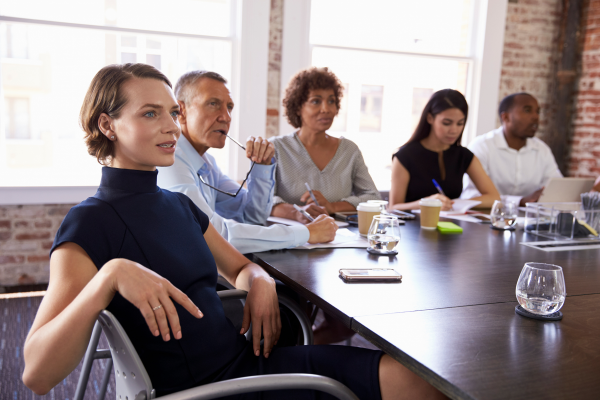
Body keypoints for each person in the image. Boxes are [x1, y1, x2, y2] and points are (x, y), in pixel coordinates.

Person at [22, 64, 446, 400]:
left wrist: (258, 279)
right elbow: (38, 374)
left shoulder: (179, 204)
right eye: (150, 113)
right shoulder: (89, 223)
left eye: (171, 112)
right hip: (219, 389)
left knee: (418, 380)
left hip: (247, 364)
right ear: (106, 126)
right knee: (416, 385)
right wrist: (109, 277)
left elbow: (242, 267)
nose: (172, 126)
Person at [157, 71, 336, 254]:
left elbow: (253, 216)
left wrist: (262, 167)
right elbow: (217, 235)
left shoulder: (207, 165)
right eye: (213, 104)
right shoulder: (171, 161)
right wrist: (305, 233)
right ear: (182, 111)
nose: (226, 117)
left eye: (229, 107)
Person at [270, 67, 380, 224]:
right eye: (316, 101)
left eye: (331, 101)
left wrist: (332, 206)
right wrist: (297, 212)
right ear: (298, 107)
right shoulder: (276, 148)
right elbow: (263, 201)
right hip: (290, 238)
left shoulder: (349, 151)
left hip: (340, 240)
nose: (326, 109)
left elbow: (373, 198)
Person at [389, 89, 500, 211]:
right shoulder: (405, 156)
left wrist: (455, 203)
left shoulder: (464, 155)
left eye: (460, 124)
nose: (454, 130)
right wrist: (426, 203)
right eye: (447, 123)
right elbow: (393, 207)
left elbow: (494, 198)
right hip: (413, 227)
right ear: (430, 118)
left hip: (452, 226)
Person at [461, 92, 562, 206]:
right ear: (506, 117)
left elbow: (556, 188)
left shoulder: (542, 149)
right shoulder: (482, 146)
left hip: (531, 220)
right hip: (488, 219)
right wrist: (519, 201)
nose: (536, 117)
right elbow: (470, 195)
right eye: (527, 110)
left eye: (537, 112)